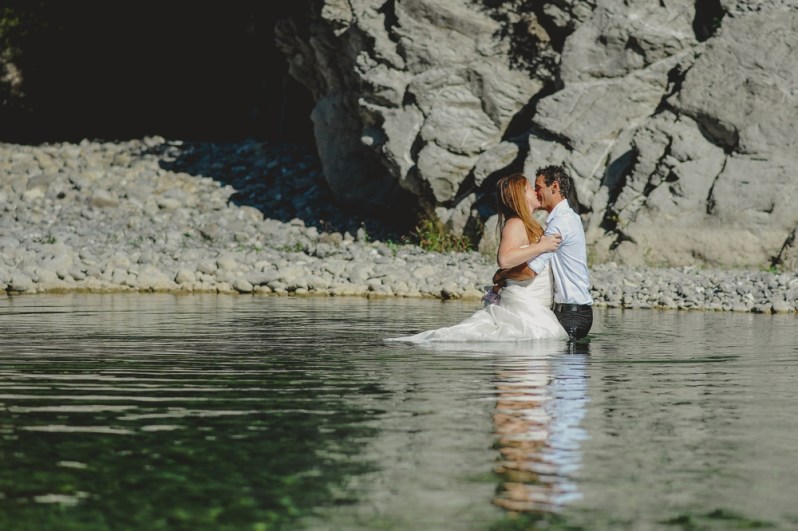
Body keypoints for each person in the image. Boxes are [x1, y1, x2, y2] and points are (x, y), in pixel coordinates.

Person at [386, 174, 568, 343]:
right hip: (525, 304)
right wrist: (541, 246)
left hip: (534, 302)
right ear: (520, 196)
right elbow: (504, 259)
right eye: (530, 188)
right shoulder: (515, 224)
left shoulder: (529, 224)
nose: (536, 191)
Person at [528, 165, 593, 341]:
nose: (535, 193)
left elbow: (533, 267)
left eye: (538, 187)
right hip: (575, 313)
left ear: (554, 187)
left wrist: (503, 276)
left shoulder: (560, 222)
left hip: (571, 316)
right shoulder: (568, 217)